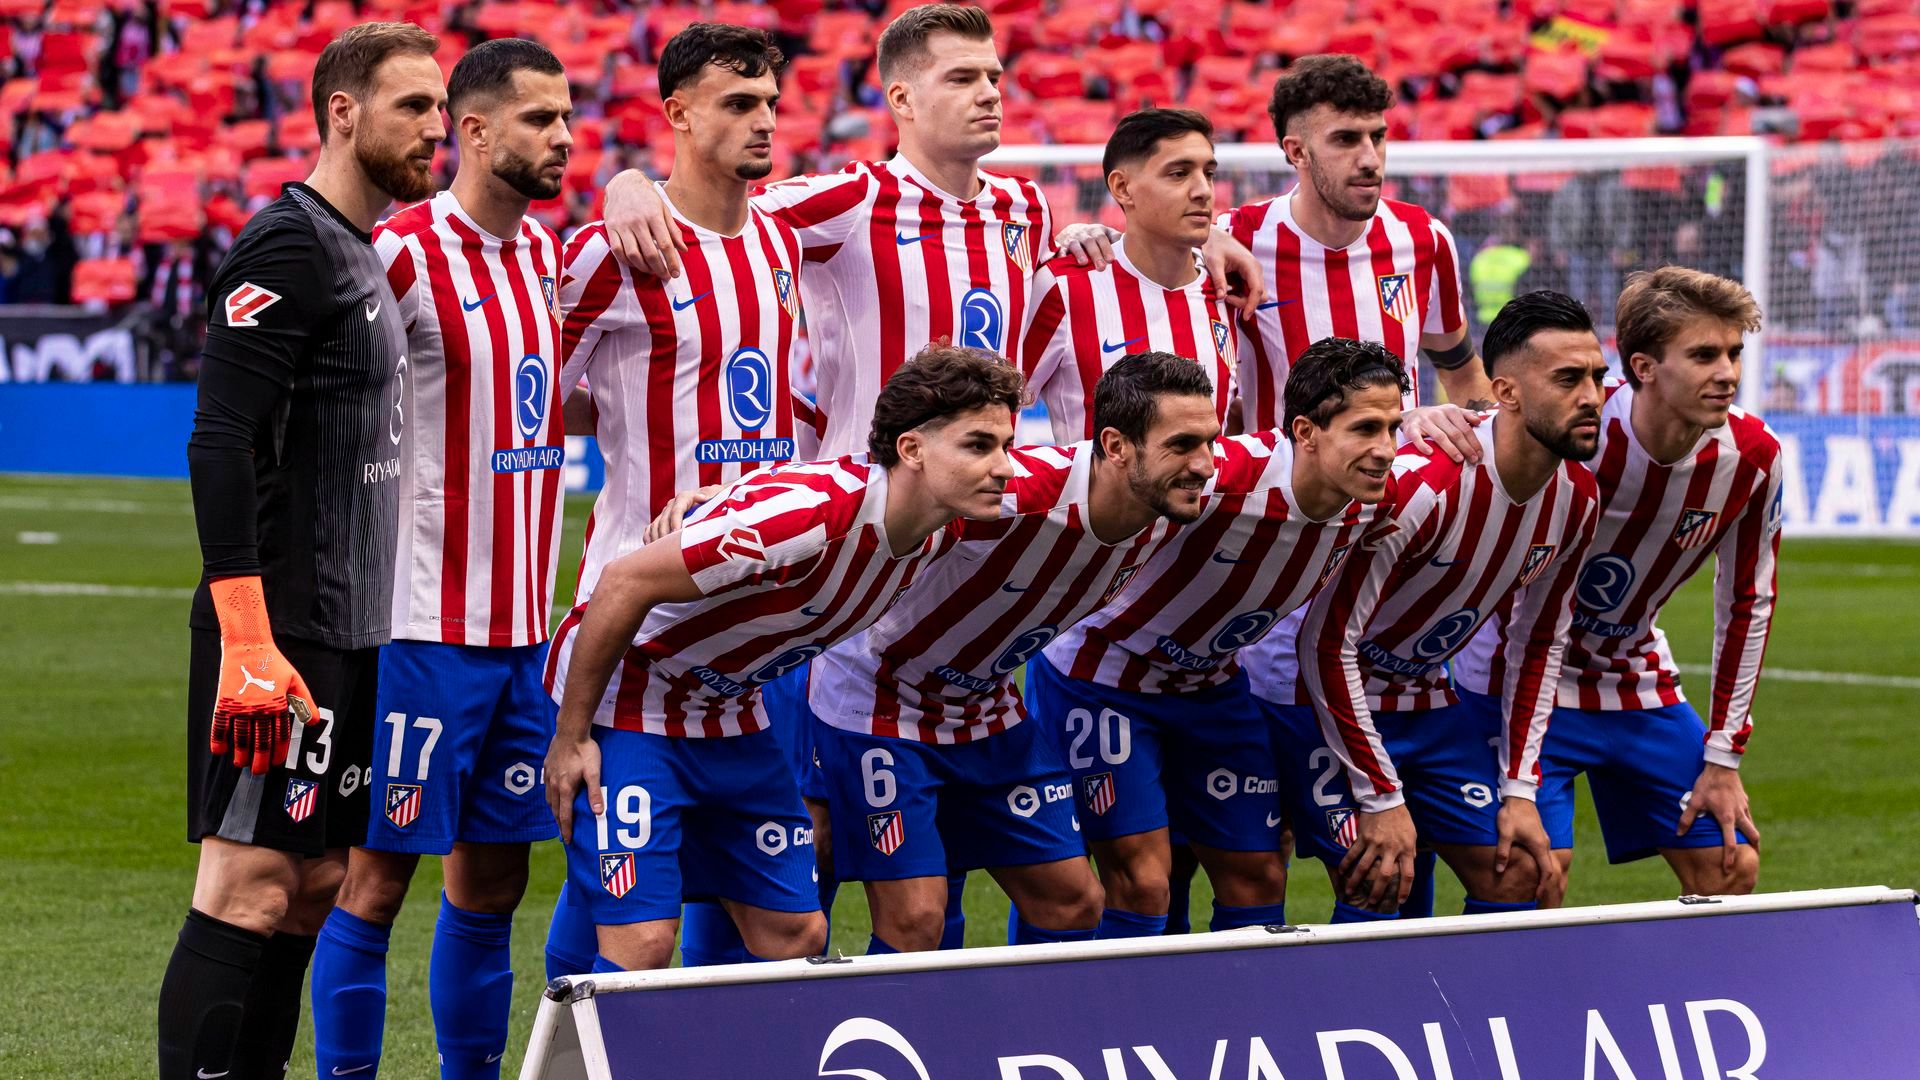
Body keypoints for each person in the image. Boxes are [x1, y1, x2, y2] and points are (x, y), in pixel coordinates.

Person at [596, 4, 1263, 459]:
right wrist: (628, 184)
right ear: (903, 100)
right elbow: (714, 210)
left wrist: (1210, 236)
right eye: (963, 78)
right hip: (868, 515)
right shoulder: (850, 200)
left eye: (994, 77)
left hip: (981, 511)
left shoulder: (1024, 207)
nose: (990, 93)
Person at [541, 344, 1024, 972]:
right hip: (632, 698)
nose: (1006, 467)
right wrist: (571, 737)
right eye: (980, 446)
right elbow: (620, 583)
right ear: (911, 450)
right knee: (642, 950)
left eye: (1006, 445)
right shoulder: (807, 517)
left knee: (796, 934)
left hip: (733, 708)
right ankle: (566, 1060)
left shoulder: (939, 527)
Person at [160, 21, 441, 1080]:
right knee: (247, 886)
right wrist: (245, 637)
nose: (433, 130)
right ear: (342, 112)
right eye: (412, 107)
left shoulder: (360, 252)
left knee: (314, 884)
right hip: (277, 633)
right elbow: (219, 437)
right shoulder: (286, 245)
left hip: (347, 634)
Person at [305, 38, 571, 1080]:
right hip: (419, 629)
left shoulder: (549, 255)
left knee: (493, 885)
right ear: (472, 130)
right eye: (539, 121)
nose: (562, 139)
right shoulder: (401, 251)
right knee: (374, 880)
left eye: (565, 118)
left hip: (522, 637)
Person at [540, 23, 807, 974]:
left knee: (792, 936)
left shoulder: (782, 239)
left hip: (747, 649)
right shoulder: (619, 250)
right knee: (640, 938)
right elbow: (535, 398)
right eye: (739, 103)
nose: (764, 119)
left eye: (771, 101)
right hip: (637, 643)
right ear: (679, 115)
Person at [808, 351, 1217, 952]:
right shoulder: (1007, 492)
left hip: (988, 708)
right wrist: (722, 505)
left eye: (1209, 443)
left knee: (1074, 902)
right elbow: (866, 490)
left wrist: (1412, 426)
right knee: (915, 922)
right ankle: (870, 1042)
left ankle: (1037, 1042)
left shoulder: (1179, 487)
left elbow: (1302, 462)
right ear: (1117, 447)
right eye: (1185, 445)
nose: (1205, 465)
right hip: (881, 703)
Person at [1030, 337, 1409, 938]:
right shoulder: (1221, 476)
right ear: (1306, 433)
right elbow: (1097, 488)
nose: (1386, 450)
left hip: (1213, 688)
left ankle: (1234, 1026)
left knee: (1259, 875)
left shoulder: (1386, 501)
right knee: (1145, 883)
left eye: (1394, 427)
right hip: (1102, 679)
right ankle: (1106, 1025)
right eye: (1366, 428)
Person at [1279, 290, 1606, 920]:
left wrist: (1519, 789)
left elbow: (1540, 643)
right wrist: (1380, 797)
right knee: (1380, 882)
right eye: (1567, 379)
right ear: (1506, 393)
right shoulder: (1424, 487)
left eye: (1596, 376)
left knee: (1524, 878)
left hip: (1428, 701)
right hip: (1319, 700)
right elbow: (1325, 644)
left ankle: (1480, 1020)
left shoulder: (1579, 498)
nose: (1591, 395)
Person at [1451, 268, 1776, 899]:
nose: (1728, 373)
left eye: (1734, 352)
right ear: (1644, 367)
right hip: (1516, 676)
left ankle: (1679, 1001)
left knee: (1730, 865)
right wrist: (1421, 420)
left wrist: (1724, 755)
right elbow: (1493, 428)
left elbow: (1748, 601)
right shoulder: (1581, 432)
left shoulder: (1753, 457)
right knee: (1528, 875)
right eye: (1704, 355)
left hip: (1634, 674)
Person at [1223, 54, 1492, 428]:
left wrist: (1495, 449)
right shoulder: (1234, 241)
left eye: (1377, 137)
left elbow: (1462, 372)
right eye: (1346, 139)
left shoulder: (1424, 238)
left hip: (1398, 478)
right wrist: (1109, 237)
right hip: (1281, 484)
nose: (1370, 159)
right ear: (1296, 151)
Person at [1021, 109, 1238, 441]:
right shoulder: (1065, 287)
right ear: (1122, 187)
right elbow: (999, 405)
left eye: (1208, 173)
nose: (1204, 191)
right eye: (1179, 174)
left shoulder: (1230, 288)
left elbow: (1236, 416)